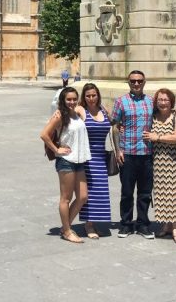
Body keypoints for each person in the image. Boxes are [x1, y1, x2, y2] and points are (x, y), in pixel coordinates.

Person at [40, 86, 91, 243]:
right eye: (68, 99)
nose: (72, 101)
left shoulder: (77, 113)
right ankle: (67, 231)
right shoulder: (60, 115)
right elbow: (44, 134)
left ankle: (65, 226)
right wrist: (57, 149)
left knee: (83, 196)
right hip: (66, 161)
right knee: (66, 198)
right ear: (63, 100)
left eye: (74, 99)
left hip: (79, 160)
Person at [112, 70, 154, 239]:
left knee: (145, 192)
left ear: (144, 82)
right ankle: (126, 224)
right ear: (128, 82)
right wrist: (117, 150)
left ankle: (143, 224)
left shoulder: (151, 101)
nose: (136, 84)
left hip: (147, 153)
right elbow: (115, 126)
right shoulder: (121, 101)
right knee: (127, 192)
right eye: (133, 81)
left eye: (139, 81)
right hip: (127, 153)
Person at [142, 88, 176, 244]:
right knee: (161, 195)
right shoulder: (152, 117)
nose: (163, 103)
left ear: (171, 101)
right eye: (160, 100)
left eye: (166, 100)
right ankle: (166, 225)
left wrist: (157, 137)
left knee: (175, 194)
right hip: (157, 161)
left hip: (173, 161)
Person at [77, 83, 112, 239]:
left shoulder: (104, 110)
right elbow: (64, 115)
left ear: (98, 95)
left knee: (100, 191)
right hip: (86, 158)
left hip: (101, 157)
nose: (91, 98)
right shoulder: (80, 110)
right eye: (88, 96)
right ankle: (88, 224)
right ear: (83, 97)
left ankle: (95, 221)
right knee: (88, 192)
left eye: (94, 95)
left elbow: (116, 122)